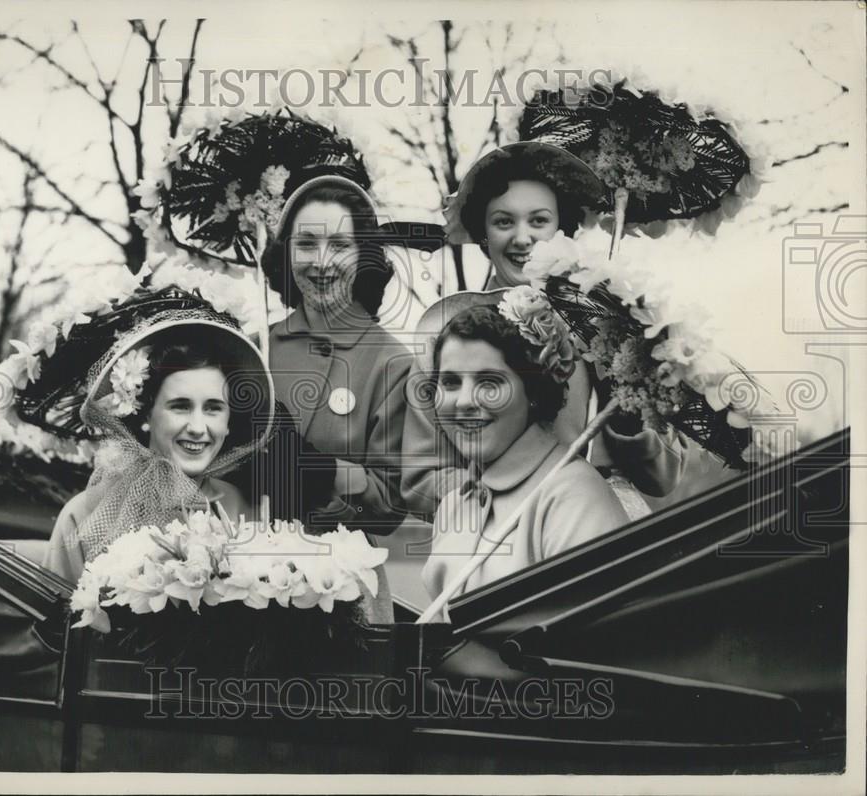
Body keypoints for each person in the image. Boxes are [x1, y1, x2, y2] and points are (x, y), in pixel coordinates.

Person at [401, 143, 688, 520]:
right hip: (492, 535)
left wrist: (624, 411)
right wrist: (505, 500)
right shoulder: (444, 329)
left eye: (539, 221)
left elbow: (664, 478)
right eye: (504, 222)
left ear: (561, 228)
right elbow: (421, 477)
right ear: (483, 234)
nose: (522, 238)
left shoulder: (608, 323)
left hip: (601, 523)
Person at [261, 174, 415, 622]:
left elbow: (389, 506)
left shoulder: (393, 362)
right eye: (306, 244)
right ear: (285, 253)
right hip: (245, 581)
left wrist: (321, 470)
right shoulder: (254, 347)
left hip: (344, 596)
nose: (321, 262)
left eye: (340, 246)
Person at [421, 292, 629, 604]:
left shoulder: (574, 498)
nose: (464, 402)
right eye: (450, 382)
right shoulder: (454, 505)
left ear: (532, 390)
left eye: (489, 383)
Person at [41, 305, 275, 583]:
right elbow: (58, 620)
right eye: (180, 407)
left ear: (228, 421)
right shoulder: (85, 516)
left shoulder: (248, 510)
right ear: (148, 413)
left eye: (213, 408)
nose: (198, 428)